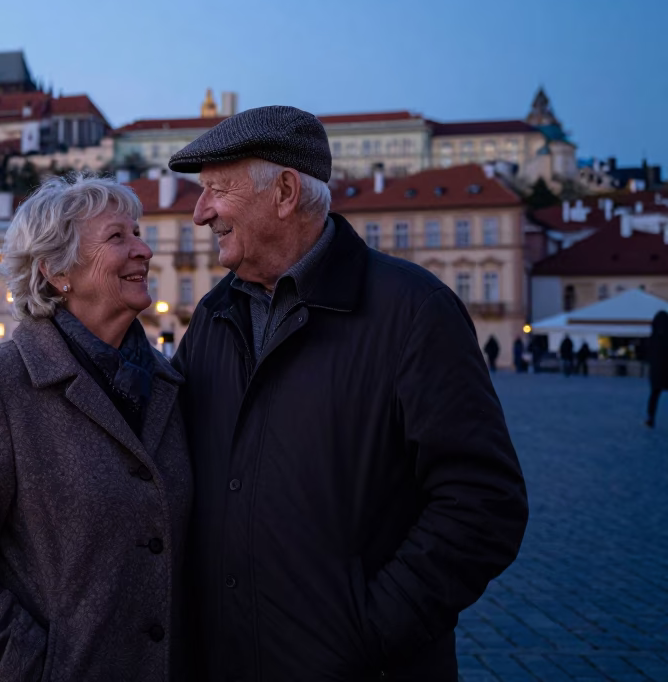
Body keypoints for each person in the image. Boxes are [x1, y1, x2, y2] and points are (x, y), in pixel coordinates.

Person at [167, 105, 528, 680]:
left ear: (284, 192)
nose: (200, 212)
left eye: (216, 190)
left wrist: (368, 631)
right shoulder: (213, 316)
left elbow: (484, 502)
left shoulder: (414, 311)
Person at [0, 173, 191, 680]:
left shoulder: (172, 385)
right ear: (57, 271)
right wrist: (29, 664)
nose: (143, 249)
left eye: (138, 232)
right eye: (117, 237)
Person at [646, 311, 668, 428]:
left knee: (654, 395)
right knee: (654, 395)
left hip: (656, 373)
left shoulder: (653, 338)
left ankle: (650, 418)